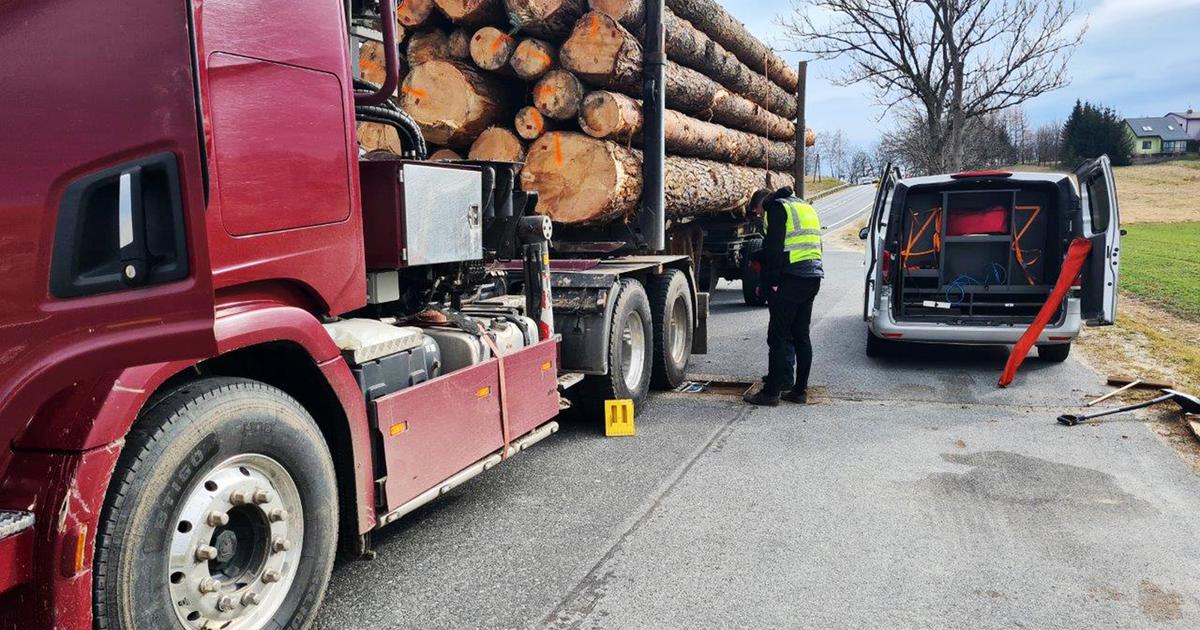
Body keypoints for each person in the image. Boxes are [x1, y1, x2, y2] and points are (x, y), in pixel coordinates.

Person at [744, 186, 823, 406]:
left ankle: (770, 394)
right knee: (801, 336)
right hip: (813, 275)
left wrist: (772, 283)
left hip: (792, 278)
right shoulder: (803, 206)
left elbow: (774, 250)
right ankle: (799, 391)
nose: (760, 216)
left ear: (762, 203)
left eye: (758, 212)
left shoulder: (776, 209)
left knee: (777, 336)